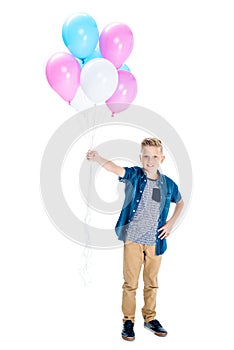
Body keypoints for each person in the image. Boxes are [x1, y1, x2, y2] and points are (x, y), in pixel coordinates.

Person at [86, 137, 184, 341]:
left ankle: (150, 318)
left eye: (154, 156)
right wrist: (98, 158)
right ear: (140, 158)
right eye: (146, 156)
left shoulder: (168, 184)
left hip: (155, 242)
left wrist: (171, 222)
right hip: (133, 239)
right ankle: (128, 321)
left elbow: (181, 202)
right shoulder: (135, 175)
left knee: (152, 282)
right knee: (130, 283)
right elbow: (115, 169)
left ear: (162, 159)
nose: (150, 160)